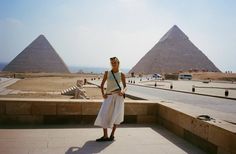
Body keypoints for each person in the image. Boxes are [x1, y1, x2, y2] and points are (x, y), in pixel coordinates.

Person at [94, 57, 127, 142]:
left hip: (119, 97)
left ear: (118, 63)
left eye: (114, 63)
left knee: (116, 116)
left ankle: (112, 135)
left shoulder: (122, 74)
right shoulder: (107, 73)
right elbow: (102, 85)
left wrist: (123, 91)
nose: (113, 64)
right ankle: (105, 136)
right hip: (108, 96)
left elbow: (125, 86)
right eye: (112, 63)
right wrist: (103, 94)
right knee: (103, 114)